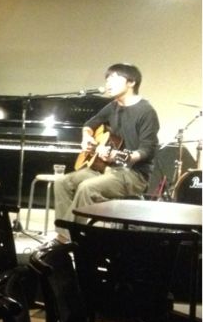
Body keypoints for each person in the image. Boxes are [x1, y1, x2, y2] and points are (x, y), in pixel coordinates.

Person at [53, 63, 159, 225]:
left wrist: (122, 156)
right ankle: (65, 235)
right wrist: (86, 137)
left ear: (131, 82)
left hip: (133, 174)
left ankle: (74, 234)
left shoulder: (146, 111)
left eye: (114, 79)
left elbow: (148, 149)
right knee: (62, 183)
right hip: (105, 168)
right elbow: (89, 125)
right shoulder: (113, 106)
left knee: (87, 187)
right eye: (107, 79)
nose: (108, 83)